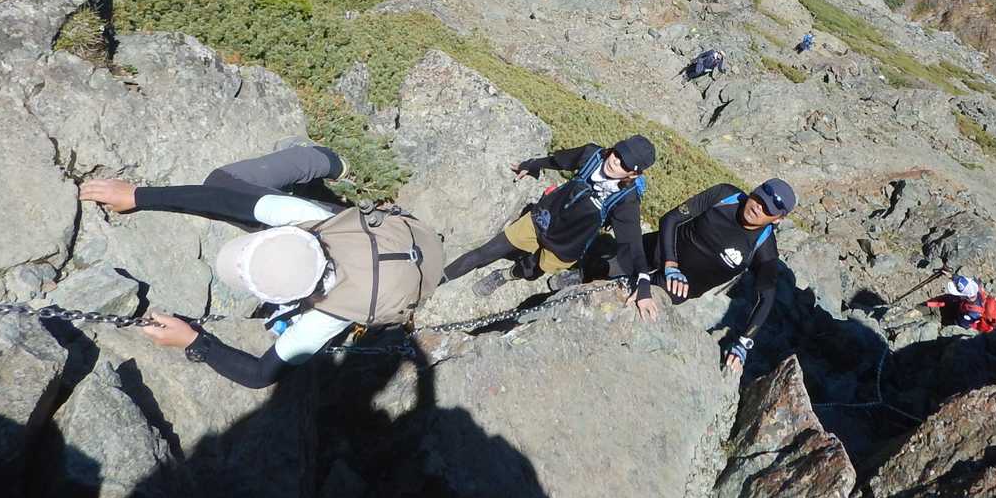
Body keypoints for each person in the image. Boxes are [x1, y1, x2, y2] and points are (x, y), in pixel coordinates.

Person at [78, 143, 443, 388]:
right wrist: (137, 196)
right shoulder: (327, 302)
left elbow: (260, 377)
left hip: (409, 250)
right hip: (409, 249)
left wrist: (193, 341)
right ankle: (328, 160)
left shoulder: (326, 305)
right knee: (222, 186)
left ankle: (325, 160)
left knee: (223, 181)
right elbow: (217, 200)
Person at [441, 136, 660, 321]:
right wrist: (532, 164)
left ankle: (506, 275)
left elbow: (632, 243)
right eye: (618, 154)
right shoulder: (591, 155)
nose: (615, 162)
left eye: (624, 165)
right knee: (488, 251)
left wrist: (643, 284)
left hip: (567, 245)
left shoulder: (626, 200)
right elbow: (560, 160)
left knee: (531, 269)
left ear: (633, 174)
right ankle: (436, 280)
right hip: (543, 217)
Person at [651, 178, 796, 373]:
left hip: (676, 287)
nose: (758, 207)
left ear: (778, 219)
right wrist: (670, 263)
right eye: (759, 199)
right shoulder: (725, 195)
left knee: (639, 300)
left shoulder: (765, 251)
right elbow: (670, 219)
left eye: (767, 209)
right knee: (611, 265)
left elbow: (766, 299)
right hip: (657, 251)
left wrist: (743, 343)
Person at [926, 272, 996, 333]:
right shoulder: (975, 286)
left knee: (937, 318)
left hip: (958, 317)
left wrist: (945, 324)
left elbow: (960, 323)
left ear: (964, 297)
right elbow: (964, 284)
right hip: (960, 307)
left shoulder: (973, 313)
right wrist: (952, 276)